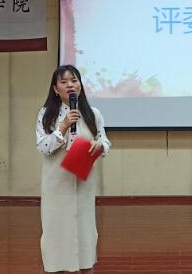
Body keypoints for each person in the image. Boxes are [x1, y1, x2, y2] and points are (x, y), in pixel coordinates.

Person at [35, 65, 111, 273]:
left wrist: (99, 145)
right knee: (56, 235)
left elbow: (104, 140)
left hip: (83, 186)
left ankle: (86, 267)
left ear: (80, 85)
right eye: (64, 81)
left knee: (85, 233)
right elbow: (43, 146)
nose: (70, 85)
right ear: (55, 88)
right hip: (56, 186)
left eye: (74, 80)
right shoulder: (46, 114)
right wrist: (63, 126)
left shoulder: (93, 114)